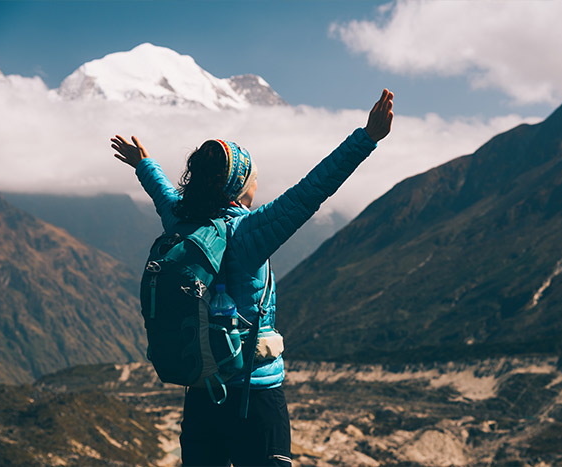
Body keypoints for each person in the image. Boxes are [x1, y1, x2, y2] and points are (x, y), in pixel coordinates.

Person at [111, 89, 394, 466]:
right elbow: (312, 189)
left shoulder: (182, 222)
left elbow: (164, 195)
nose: (257, 185)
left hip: (202, 387)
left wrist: (144, 165)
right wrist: (367, 138)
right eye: (254, 178)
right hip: (253, 394)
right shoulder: (252, 233)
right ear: (239, 184)